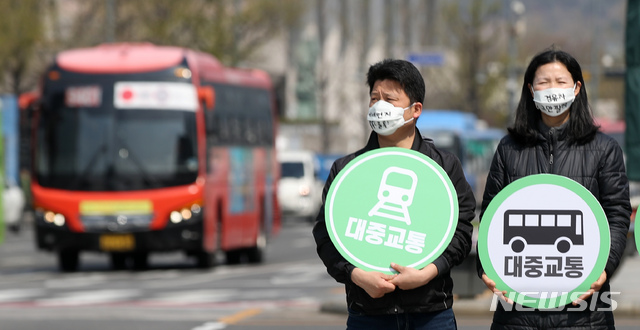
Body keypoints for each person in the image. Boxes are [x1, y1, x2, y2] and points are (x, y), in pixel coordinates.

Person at [312, 58, 476, 330]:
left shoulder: (443, 166)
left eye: (389, 99)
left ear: (415, 110)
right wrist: (357, 276)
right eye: (374, 98)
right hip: (368, 314)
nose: (379, 106)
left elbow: (461, 230)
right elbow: (326, 235)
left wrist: (428, 273)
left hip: (431, 313)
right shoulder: (347, 170)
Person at [478, 47, 631, 329]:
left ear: (576, 88)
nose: (552, 90)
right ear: (530, 89)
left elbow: (617, 216)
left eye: (560, 82)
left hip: (585, 313)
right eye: (543, 82)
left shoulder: (603, 149)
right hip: (518, 314)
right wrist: (485, 269)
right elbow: (491, 215)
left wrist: (604, 269)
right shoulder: (509, 148)